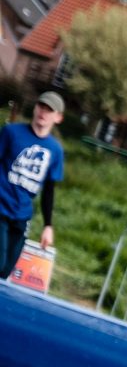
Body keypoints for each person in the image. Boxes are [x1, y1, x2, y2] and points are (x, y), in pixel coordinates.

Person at [1, 92, 66, 282]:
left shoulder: (55, 149)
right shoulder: (11, 132)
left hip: (22, 213)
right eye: (41, 106)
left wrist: (48, 225)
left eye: (49, 110)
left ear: (58, 117)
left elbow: (49, 190)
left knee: (5, 271)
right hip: (1, 206)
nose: (43, 112)